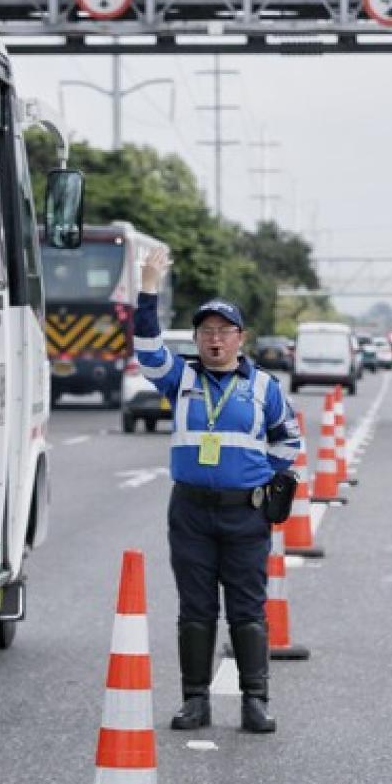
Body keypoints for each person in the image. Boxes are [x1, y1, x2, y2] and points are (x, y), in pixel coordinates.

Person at [134, 248, 302, 734]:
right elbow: (146, 347)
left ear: (240, 339)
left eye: (224, 331)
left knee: (247, 610)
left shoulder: (264, 387)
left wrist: (259, 480)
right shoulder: (180, 379)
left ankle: (255, 701)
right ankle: (195, 702)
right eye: (206, 331)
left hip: (245, 515)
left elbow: (288, 441)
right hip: (190, 513)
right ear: (196, 338)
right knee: (196, 609)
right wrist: (148, 288)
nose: (214, 339)